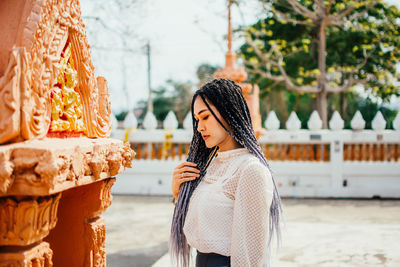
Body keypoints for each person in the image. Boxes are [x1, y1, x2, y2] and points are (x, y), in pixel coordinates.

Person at [170, 78, 282, 267]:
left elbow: (251, 255)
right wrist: (178, 194)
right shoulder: (210, 166)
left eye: (205, 117)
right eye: (197, 120)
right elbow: (202, 226)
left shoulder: (250, 170)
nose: (199, 127)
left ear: (229, 113)